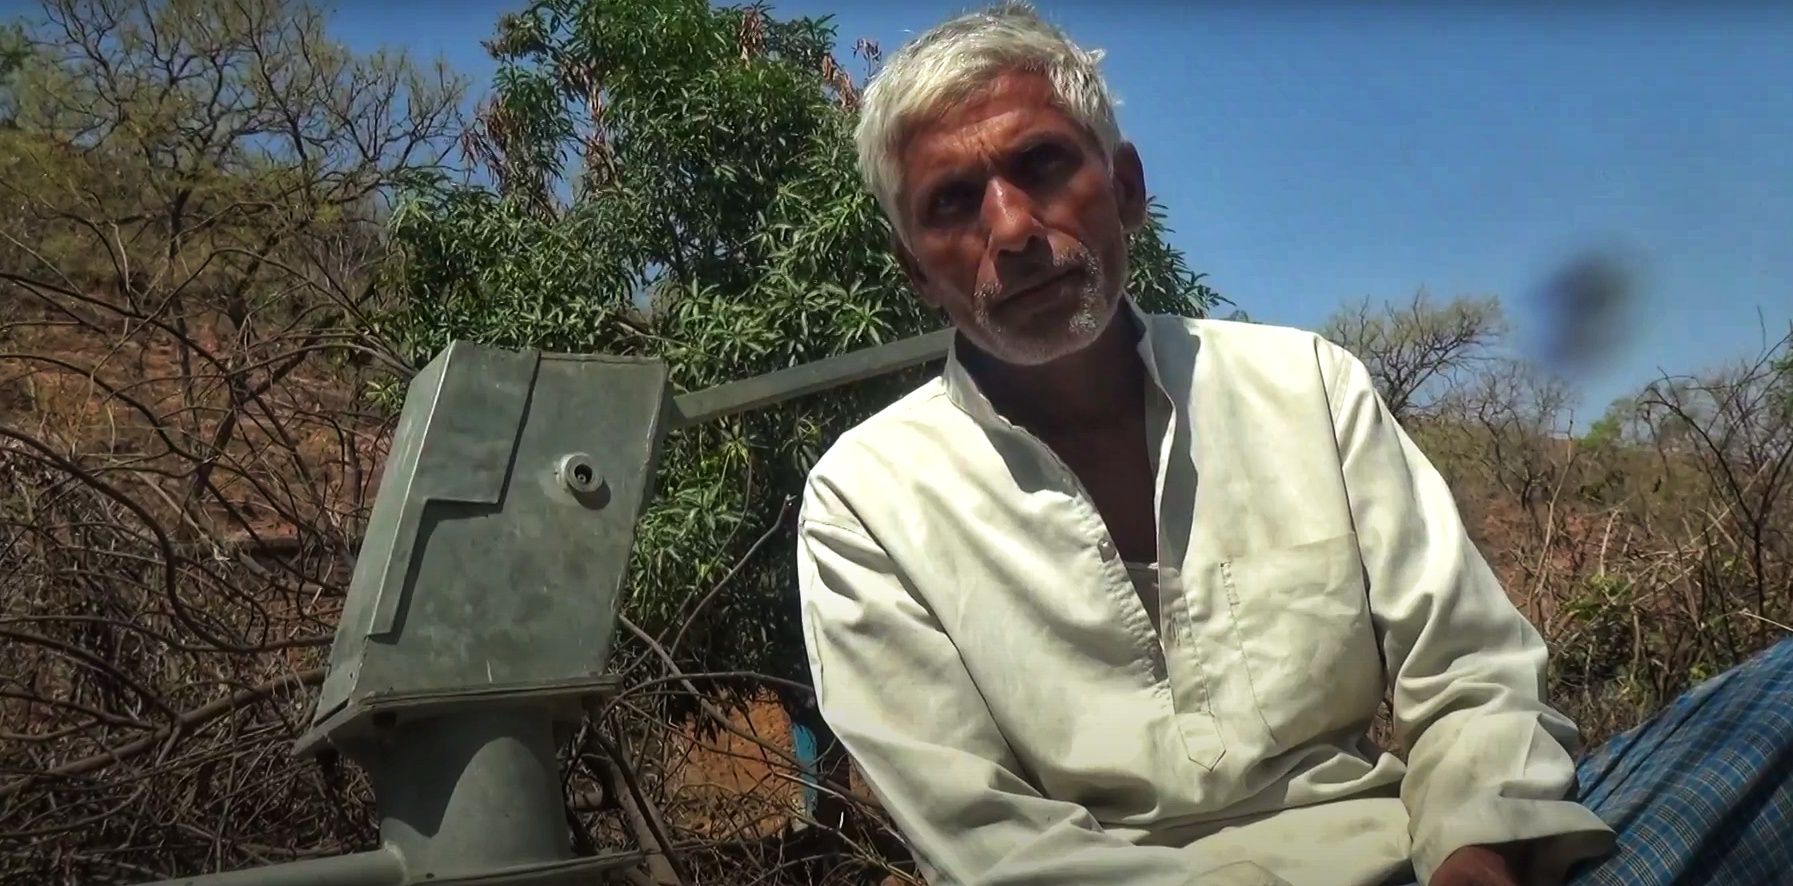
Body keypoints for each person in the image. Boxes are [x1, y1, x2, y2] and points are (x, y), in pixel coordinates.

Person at [794, 4, 1793, 885]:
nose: (1010, 227)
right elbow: (988, 841)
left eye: (1041, 163)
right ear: (914, 269)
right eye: (952, 203)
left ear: (1126, 186)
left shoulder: (1303, 385)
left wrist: (1474, 858)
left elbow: (1472, 677)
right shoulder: (866, 500)